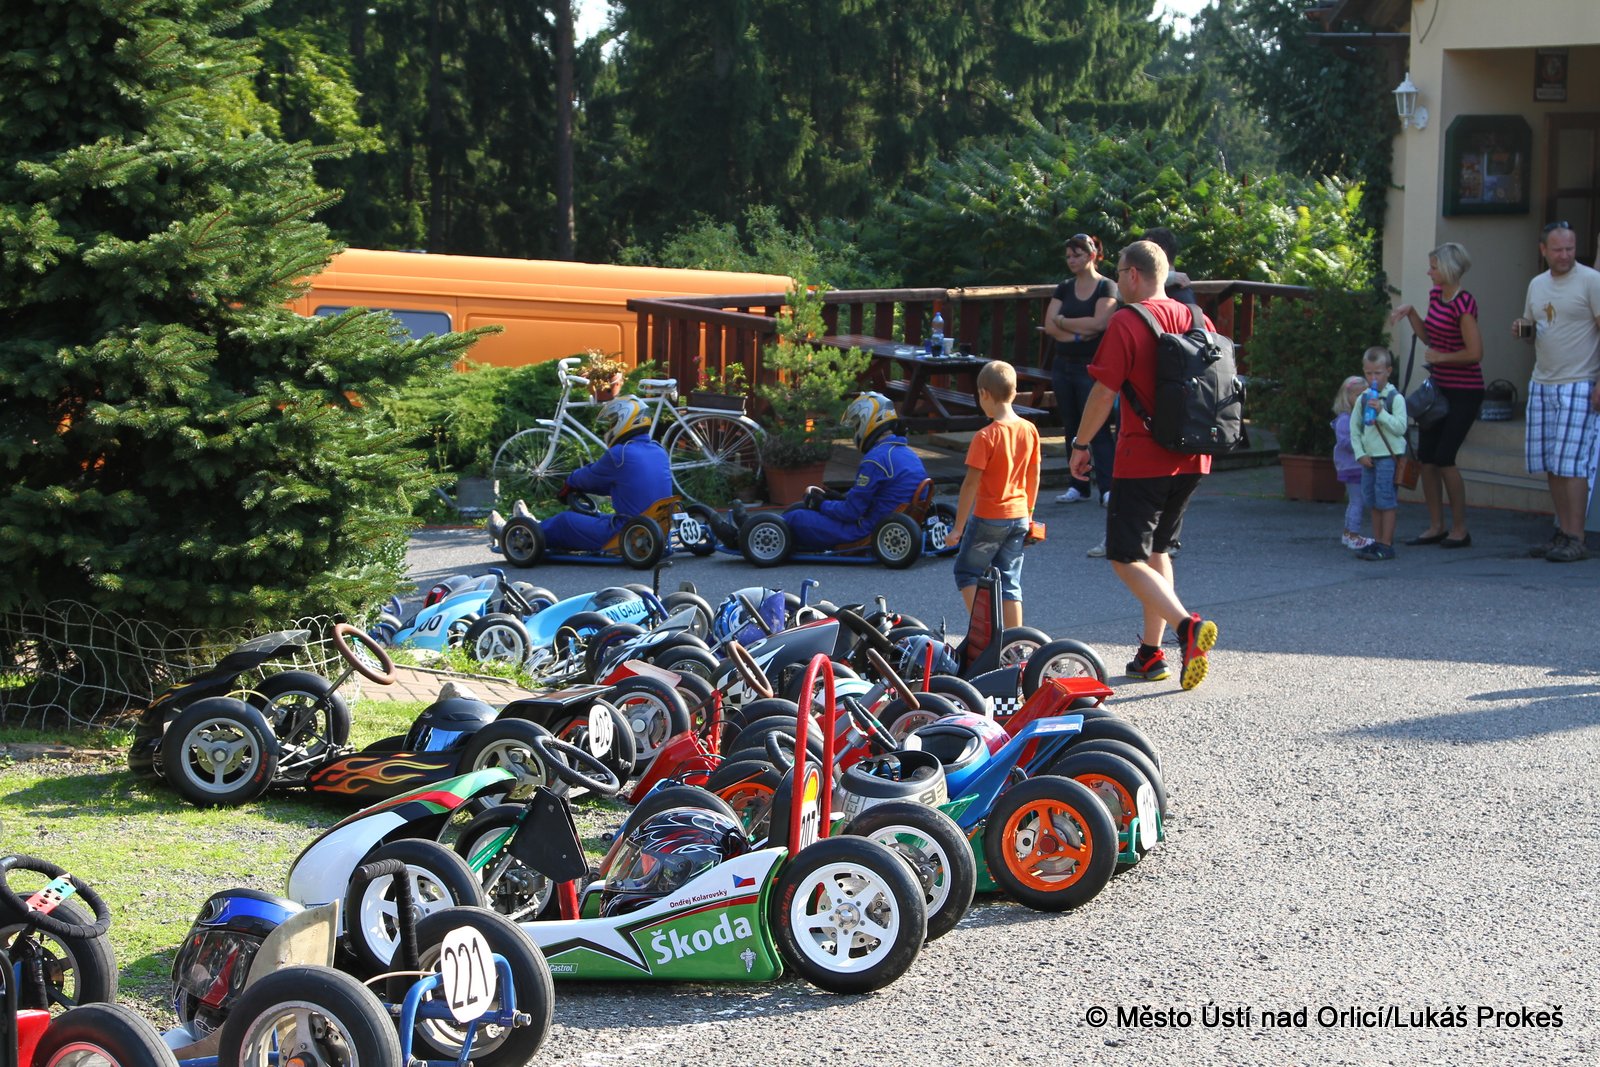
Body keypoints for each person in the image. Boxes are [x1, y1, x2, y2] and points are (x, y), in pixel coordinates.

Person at [1069, 240, 1217, 690]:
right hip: (1193, 455)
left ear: (1133, 274)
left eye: (1118, 272)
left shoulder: (1127, 321)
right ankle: (1151, 655)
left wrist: (1081, 443)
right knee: (1158, 551)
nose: (1117, 281)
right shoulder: (1198, 318)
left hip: (1143, 457)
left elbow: (1103, 392)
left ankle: (1186, 627)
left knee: (1124, 556)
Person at [705, 392, 927, 550]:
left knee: (797, 517)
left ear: (868, 421)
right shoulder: (907, 454)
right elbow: (873, 498)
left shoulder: (876, 459)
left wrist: (821, 504)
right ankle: (749, 530)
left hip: (863, 530)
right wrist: (834, 497)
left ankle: (741, 539)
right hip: (882, 520)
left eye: (856, 424)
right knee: (798, 508)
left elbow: (851, 512)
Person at [1511, 221, 1600, 563]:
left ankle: (1577, 537)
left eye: (1570, 248)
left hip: (1579, 382)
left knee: (1572, 464)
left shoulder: (1591, 281)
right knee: (1552, 462)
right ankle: (1563, 531)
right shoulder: (1537, 284)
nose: (1565, 255)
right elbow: (1535, 331)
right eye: (1558, 249)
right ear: (1543, 250)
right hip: (1543, 381)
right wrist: (1523, 331)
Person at [1388, 242, 1482, 548]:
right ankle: (1435, 525)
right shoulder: (1435, 295)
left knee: (1445, 457)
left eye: (1433, 267)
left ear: (1448, 269)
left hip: (1465, 391)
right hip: (1439, 389)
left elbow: (1475, 353)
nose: (1429, 272)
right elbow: (1430, 336)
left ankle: (1460, 528)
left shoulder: (1463, 303)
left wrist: (1443, 358)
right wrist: (1411, 313)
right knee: (1427, 458)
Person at [943, 361, 1041, 628]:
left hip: (989, 517)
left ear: (984, 394)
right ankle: (1015, 642)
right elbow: (1034, 476)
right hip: (1019, 516)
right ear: (1014, 392)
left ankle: (985, 632)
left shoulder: (985, 437)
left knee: (967, 572)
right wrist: (1030, 513)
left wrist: (958, 528)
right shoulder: (1029, 430)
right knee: (1009, 580)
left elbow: (970, 485)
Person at [1042, 234, 1118, 507]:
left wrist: (1064, 321)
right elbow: (1050, 325)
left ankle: (1108, 487)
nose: (1072, 260)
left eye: (1077, 255)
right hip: (1063, 363)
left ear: (1092, 255)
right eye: (1068, 256)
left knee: (1098, 427)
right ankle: (1078, 485)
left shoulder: (1106, 286)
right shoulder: (1064, 287)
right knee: (1071, 425)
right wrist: (1076, 333)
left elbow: (1100, 323)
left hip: (1092, 366)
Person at [543, 394, 673, 550]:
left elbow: (587, 478)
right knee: (598, 516)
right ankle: (532, 524)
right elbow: (625, 485)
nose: (610, 428)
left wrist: (569, 483)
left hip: (625, 533)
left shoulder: (620, 454)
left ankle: (526, 531)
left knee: (564, 521)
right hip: (659, 529)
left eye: (613, 423)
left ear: (624, 420)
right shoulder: (659, 450)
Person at [1348, 347, 1408, 561]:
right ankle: (1377, 541)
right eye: (1369, 373)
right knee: (1372, 500)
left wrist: (1381, 412)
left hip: (1388, 458)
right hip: (1369, 458)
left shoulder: (1395, 398)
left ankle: (1386, 544)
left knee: (1386, 499)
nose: (1373, 378)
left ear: (1388, 371)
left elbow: (1400, 427)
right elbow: (1354, 428)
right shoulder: (1363, 398)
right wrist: (1360, 453)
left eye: (1378, 373)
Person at [1332, 375, 1373, 551]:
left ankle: (1348, 533)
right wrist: (1364, 443)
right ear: (1347, 397)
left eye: (1365, 395)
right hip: (1352, 466)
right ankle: (1354, 535)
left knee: (1354, 501)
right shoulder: (1345, 419)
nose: (1362, 399)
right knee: (1358, 502)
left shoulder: (1355, 417)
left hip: (1352, 466)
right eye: (1358, 395)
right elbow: (1345, 442)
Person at [1140, 227, 1199, 308]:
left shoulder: (1180, 297)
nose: (1139, 258)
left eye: (1145, 252)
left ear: (1160, 253)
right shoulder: (1185, 295)